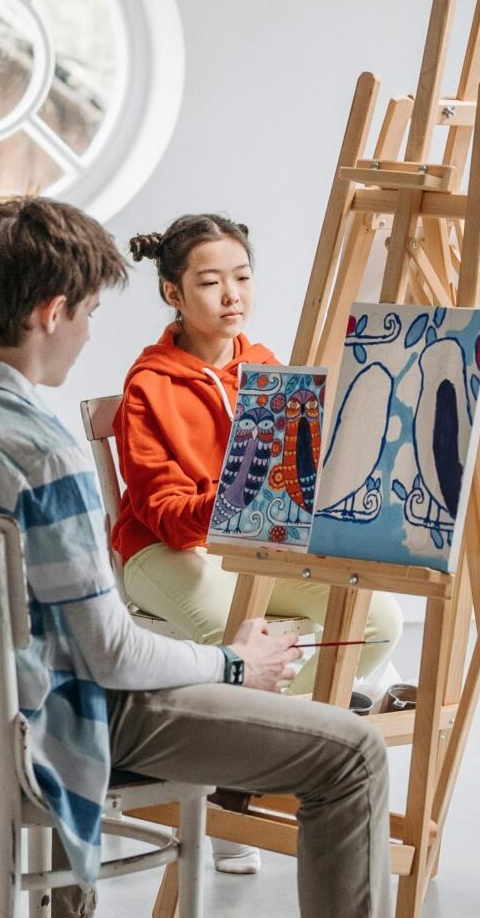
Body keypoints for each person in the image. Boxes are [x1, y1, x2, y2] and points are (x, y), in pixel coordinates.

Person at [0, 198, 438, 918]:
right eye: (87, 311)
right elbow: (111, 654)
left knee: (49, 657)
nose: (90, 333)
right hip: (45, 723)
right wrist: (236, 664)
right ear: (52, 311)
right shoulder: (40, 447)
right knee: (353, 754)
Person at [111, 213, 405, 705]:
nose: (232, 295)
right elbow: (163, 517)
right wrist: (239, 500)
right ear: (172, 294)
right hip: (162, 553)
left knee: (378, 620)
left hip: (254, 546)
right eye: (209, 282)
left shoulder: (268, 369)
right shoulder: (148, 387)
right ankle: (266, 736)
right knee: (236, 641)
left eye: (242, 277)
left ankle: (287, 723)